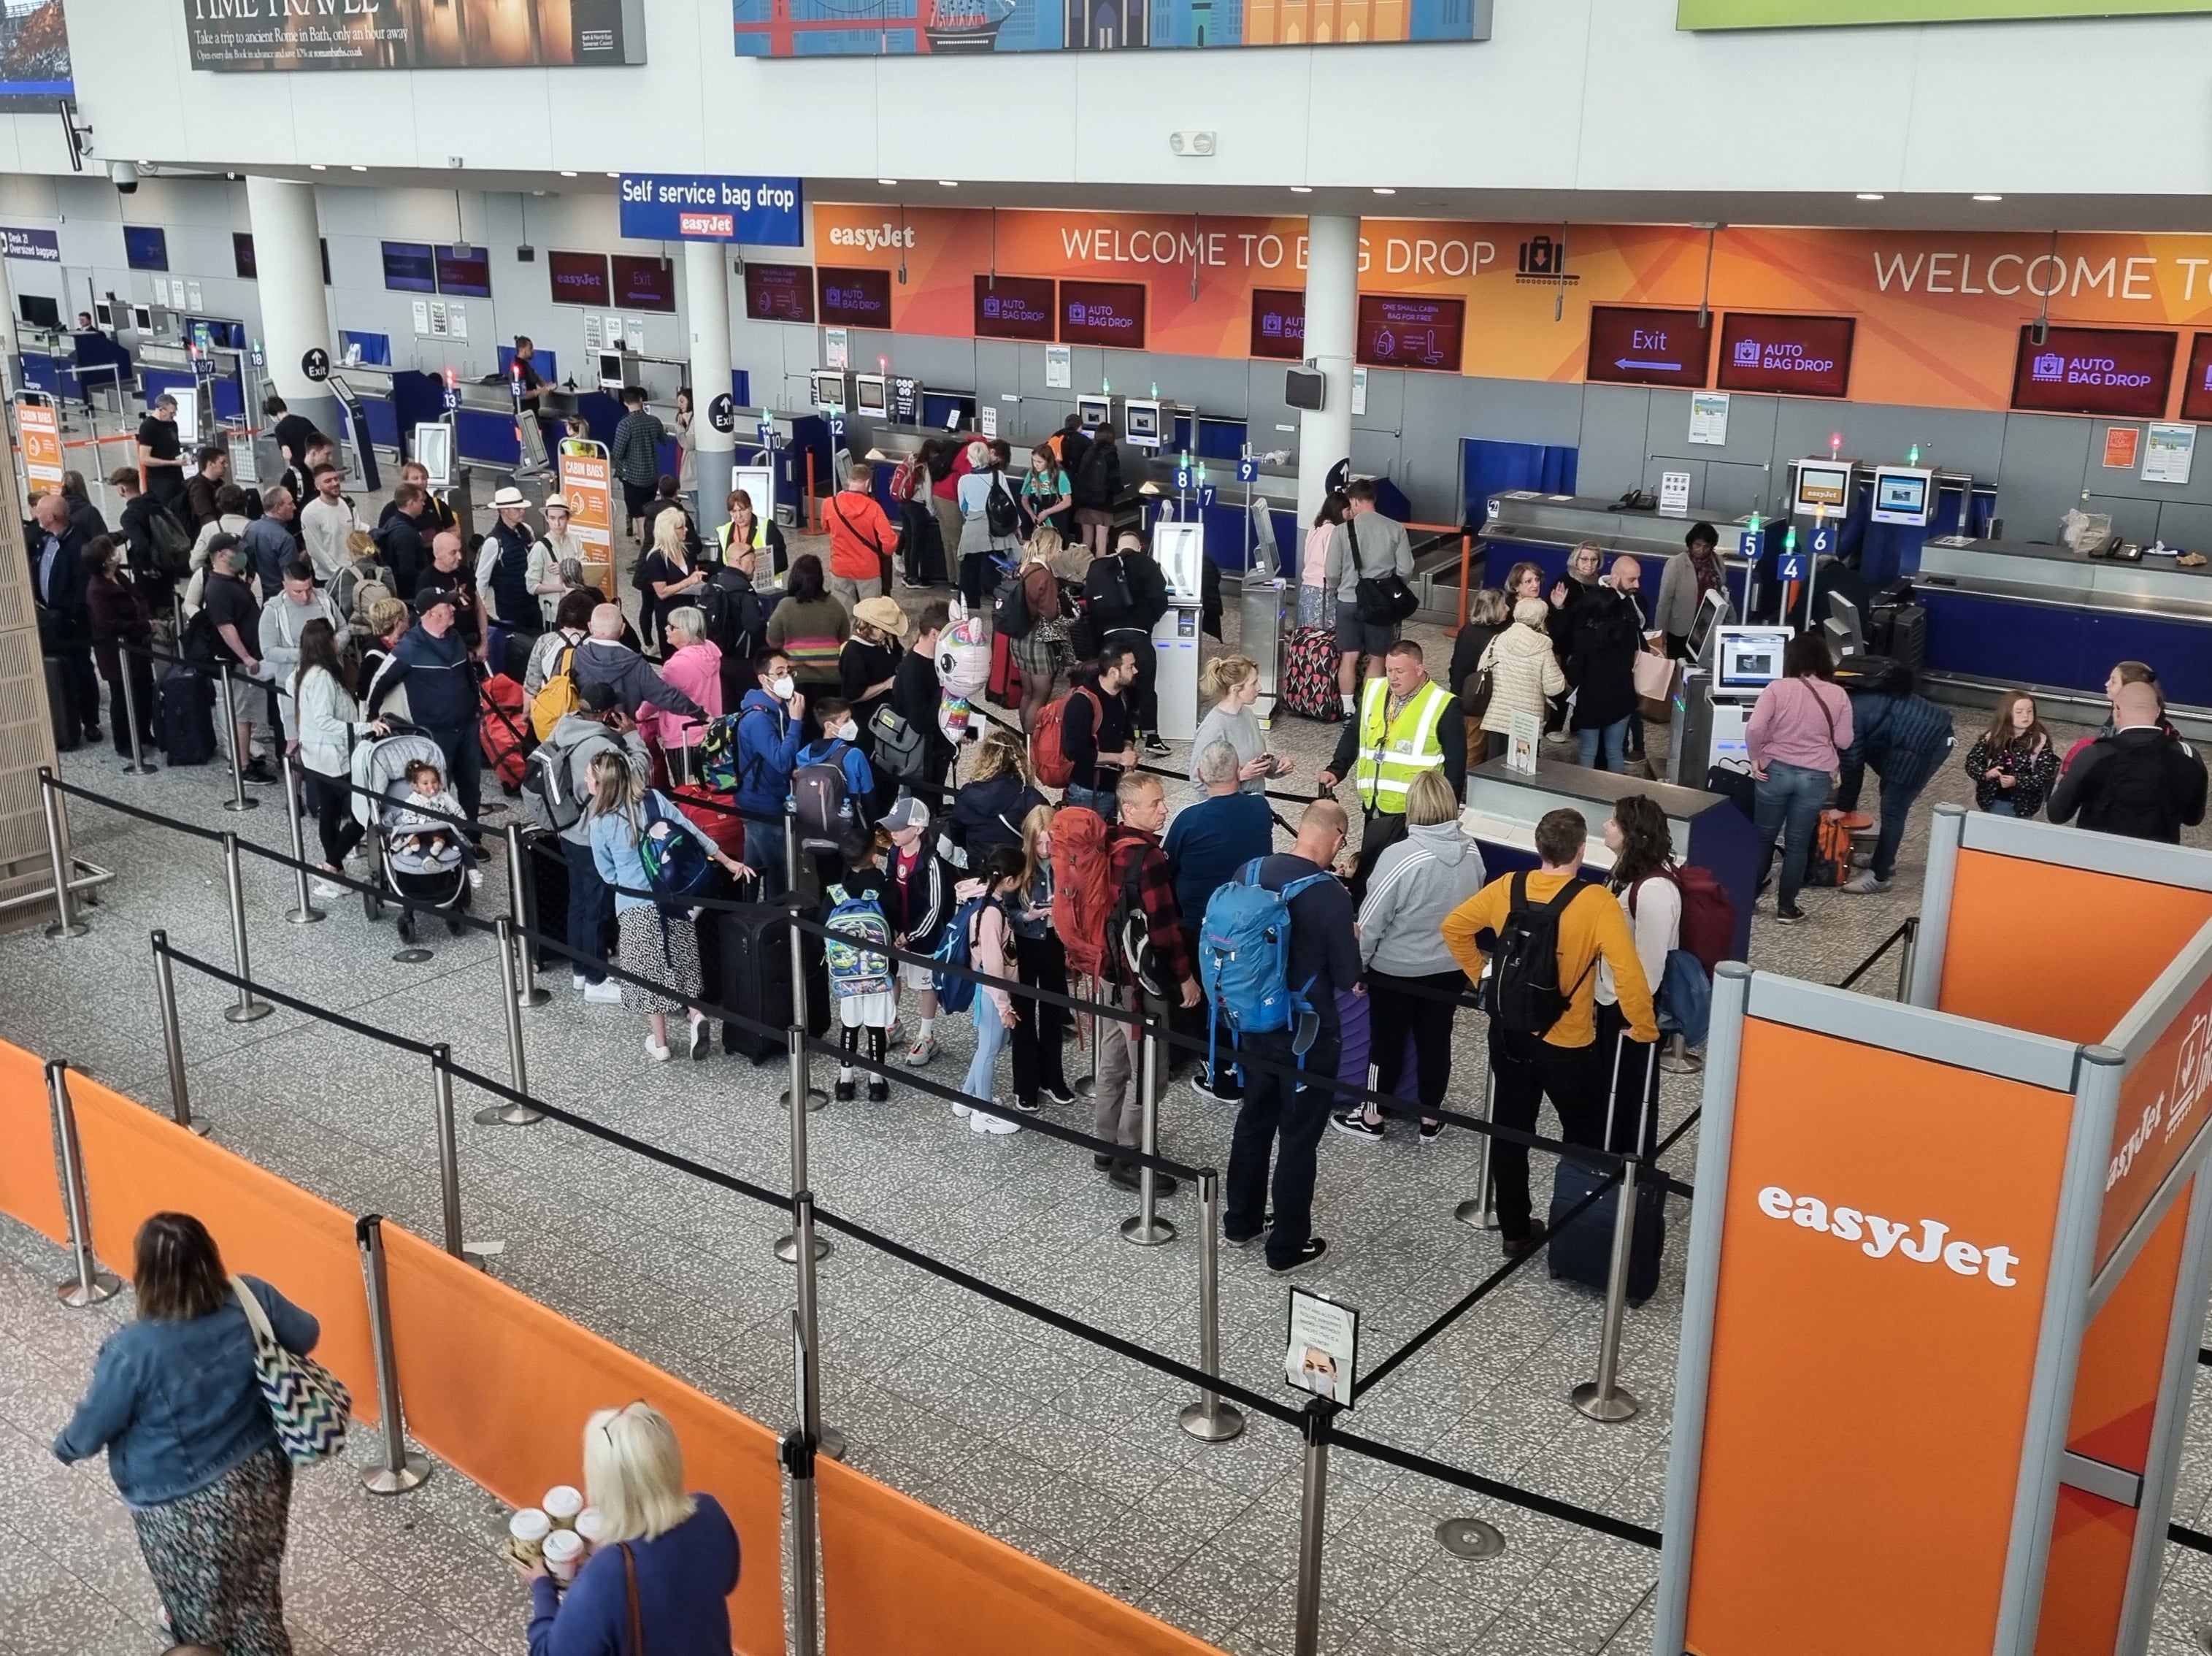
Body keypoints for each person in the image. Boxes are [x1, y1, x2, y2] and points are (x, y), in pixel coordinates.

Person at [56, 1214, 322, 1656]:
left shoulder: (134, 1348)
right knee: (256, 1577)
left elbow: (94, 1424)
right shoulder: (249, 1296)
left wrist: (67, 1447)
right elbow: (307, 1333)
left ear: (146, 1275)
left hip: (179, 1498)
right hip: (260, 1473)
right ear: (209, 1254)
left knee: (197, 1610)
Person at [1441, 808, 1660, 1256]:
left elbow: (1454, 927)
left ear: (1540, 847)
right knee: (1583, 1134)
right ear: (1581, 850)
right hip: (1568, 1043)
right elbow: (1628, 973)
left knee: (1510, 1131)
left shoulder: (1508, 887)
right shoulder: (1595, 902)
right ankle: (1576, 1230)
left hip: (1508, 1034)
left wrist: (1481, 976)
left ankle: (1515, 1232)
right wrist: (1644, 1026)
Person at [1220, 799, 1362, 1273]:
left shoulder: (1251, 870)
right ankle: (1285, 1247)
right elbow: (1346, 977)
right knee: (1298, 1139)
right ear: (1338, 837)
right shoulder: (1330, 896)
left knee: (1254, 1119)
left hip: (1251, 1023)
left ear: (1302, 830)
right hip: (1306, 1034)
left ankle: (1240, 1221)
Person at [1332, 770, 1486, 1142]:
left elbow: (1370, 922)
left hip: (1396, 970)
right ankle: (1430, 1120)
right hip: (1450, 966)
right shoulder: (1473, 851)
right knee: (1436, 1040)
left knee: (1385, 1042)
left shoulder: (1400, 856)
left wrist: (1359, 968)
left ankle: (1372, 1116)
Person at [521, 1402, 740, 1656]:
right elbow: (726, 1582)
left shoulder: (608, 1574)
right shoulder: (709, 1513)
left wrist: (542, 1586)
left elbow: (547, 1652)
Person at [587, 750, 750, 1060]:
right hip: (673, 897)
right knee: (681, 959)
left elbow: (607, 873)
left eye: (589, 776)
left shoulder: (601, 823)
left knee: (649, 974)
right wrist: (728, 861)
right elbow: (691, 831)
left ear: (602, 784)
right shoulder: (654, 801)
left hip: (635, 905)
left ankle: (660, 1044)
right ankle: (695, 1013)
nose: (585, 780)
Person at [1091, 772, 1202, 1191]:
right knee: (1150, 1073)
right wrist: (1186, 979)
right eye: (1156, 804)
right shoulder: (1148, 859)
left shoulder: (1104, 845)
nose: (1164, 809)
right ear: (1129, 809)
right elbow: (1164, 929)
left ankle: (1105, 1143)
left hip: (1108, 973)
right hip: (1143, 985)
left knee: (1112, 1061)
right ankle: (1133, 1155)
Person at [1167, 740, 1277, 1106]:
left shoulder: (1189, 820)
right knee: (1244, 995)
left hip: (1200, 926)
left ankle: (1220, 1071)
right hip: (1251, 926)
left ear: (1199, 773)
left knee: (1209, 1000)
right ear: (1237, 772)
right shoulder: (1259, 809)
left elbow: (1170, 867)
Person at [1319, 639, 1466, 900]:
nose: (1393, 678)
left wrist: (1447, 814)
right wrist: (1337, 768)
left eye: (1401, 671)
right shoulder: (1375, 691)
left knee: (1400, 877)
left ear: (1420, 669)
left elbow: (1456, 766)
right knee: (1370, 871)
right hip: (1374, 804)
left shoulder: (1443, 704)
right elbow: (1355, 733)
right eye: (1389, 670)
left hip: (1414, 812)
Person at [539, 682, 648, 1002]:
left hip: (569, 829)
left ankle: (580, 970)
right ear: (608, 713)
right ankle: (597, 981)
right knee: (597, 908)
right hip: (592, 835)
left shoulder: (564, 727)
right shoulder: (603, 749)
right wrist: (631, 737)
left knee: (579, 903)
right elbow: (637, 779)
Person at [1746, 631, 1852, 924]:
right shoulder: (1839, 694)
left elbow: (1755, 728)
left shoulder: (1778, 688)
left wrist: (1756, 757)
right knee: (1797, 843)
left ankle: (1748, 898)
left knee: (1764, 838)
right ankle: (1786, 909)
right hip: (1815, 777)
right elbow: (1844, 740)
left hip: (1775, 772)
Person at [1596, 794, 1679, 1148]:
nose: (1605, 825)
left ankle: (1629, 1162)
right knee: (1611, 1086)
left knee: (1631, 1090)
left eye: (1613, 822)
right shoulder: (1628, 875)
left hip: (1630, 1008)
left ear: (1632, 835)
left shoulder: (1655, 890)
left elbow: (1651, 963)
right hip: (1615, 997)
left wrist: (1638, 1019)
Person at [1835, 673, 1955, 894]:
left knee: (1893, 807)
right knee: (1889, 793)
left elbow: (1853, 767)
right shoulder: (1846, 697)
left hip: (1927, 739)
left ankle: (1880, 877)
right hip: (1911, 733)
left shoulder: (1846, 717)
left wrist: (1842, 808)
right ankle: (1885, 858)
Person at [2050, 681, 2208, 844]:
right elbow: (2193, 818)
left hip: (2097, 856)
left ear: (2116, 711)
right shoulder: (2188, 755)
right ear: (2157, 711)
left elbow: (2057, 814)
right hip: (2160, 858)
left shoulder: (2094, 754)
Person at [293, 618, 383, 897]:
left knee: (330, 814)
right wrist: (365, 727)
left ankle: (335, 873)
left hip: (319, 755)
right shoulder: (321, 677)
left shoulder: (303, 670)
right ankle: (331, 865)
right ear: (327, 642)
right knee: (361, 814)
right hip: (332, 755)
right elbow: (324, 720)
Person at [392, 585, 485, 827]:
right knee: (437, 788)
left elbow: (470, 676)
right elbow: (378, 682)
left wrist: (477, 707)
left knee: (471, 787)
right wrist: (372, 717)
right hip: (434, 732)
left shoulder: (455, 639)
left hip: (466, 726)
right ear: (430, 614)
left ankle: (472, 835)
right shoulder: (409, 647)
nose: (453, 608)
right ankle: (442, 836)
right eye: (447, 605)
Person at [951, 845, 1029, 1135]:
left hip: (984, 985)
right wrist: (1004, 1007)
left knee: (987, 1045)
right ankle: (983, 1112)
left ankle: (967, 1098)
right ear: (1009, 881)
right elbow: (995, 965)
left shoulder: (980, 896)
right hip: (991, 989)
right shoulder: (992, 913)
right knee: (990, 1048)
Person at [1324, 478, 1416, 711]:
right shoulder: (1395, 528)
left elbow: (1331, 572)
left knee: (1349, 656)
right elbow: (1406, 569)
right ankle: (1368, 708)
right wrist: (1392, 587)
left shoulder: (1342, 531)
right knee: (1378, 656)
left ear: (1354, 501)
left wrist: (1338, 590)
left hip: (1347, 600)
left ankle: (1347, 708)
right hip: (1380, 604)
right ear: (1374, 500)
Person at [1007, 805, 1074, 1116]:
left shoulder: (1065, 865)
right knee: (1022, 1017)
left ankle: (1052, 1077)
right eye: (1039, 843)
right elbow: (1005, 911)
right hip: (1025, 946)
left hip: (1054, 945)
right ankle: (1025, 1084)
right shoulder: (1018, 867)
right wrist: (1028, 915)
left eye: (1051, 842)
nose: (1046, 850)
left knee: (1053, 1013)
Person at [824, 829, 899, 1103]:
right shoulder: (885, 888)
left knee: (850, 1025)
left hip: (847, 975)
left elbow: (823, 927)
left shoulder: (836, 893)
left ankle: (845, 1082)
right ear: (873, 856)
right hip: (879, 972)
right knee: (876, 1027)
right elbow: (894, 923)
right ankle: (876, 1082)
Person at [729, 648, 810, 898]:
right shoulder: (758, 719)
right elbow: (781, 761)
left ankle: (748, 912)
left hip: (764, 797)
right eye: (780, 672)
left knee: (752, 864)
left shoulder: (777, 709)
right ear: (764, 679)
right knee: (779, 868)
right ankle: (778, 923)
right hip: (761, 804)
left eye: (788, 671)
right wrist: (797, 721)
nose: (787, 677)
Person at [1083, 529, 1170, 752]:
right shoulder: (1148, 564)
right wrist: (1149, 621)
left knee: (1116, 685)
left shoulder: (1100, 567)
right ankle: (1152, 738)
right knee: (1146, 684)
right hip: (1138, 634)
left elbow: (1091, 605)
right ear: (1140, 547)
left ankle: (1121, 733)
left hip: (1109, 637)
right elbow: (1160, 598)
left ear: (1117, 549)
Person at [883, 795, 954, 1064]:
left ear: (918, 829)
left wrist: (911, 934)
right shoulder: (893, 852)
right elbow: (889, 886)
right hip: (897, 930)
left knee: (926, 984)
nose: (893, 832)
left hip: (925, 937)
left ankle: (926, 1035)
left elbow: (935, 907)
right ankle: (892, 1023)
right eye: (891, 826)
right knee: (894, 977)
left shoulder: (932, 861)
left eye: (899, 828)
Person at [199, 540, 274, 783]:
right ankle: (242, 765)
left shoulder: (232, 581)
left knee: (247, 712)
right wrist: (245, 656)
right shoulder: (218, 588)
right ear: (221, 554)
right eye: (236, 552)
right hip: (237, 661)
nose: (242, 555)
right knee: (241, 713)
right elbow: (225, 627)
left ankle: (244, 759)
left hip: (247, 657)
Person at [31, 491, 99, 745]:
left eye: (39, 511)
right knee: (55, 670)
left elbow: (82, 586)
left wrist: (67, 612)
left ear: (52, 516)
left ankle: (90, 721)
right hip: (48, 620)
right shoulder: (44, 540)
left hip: (71, 622)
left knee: (81, 669)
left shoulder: (78, 545)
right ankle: (60, 719)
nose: (36, 515)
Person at [1568, 556, 1646, 773]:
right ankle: (1615, 795)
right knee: (1614, 751)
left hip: (1591, 700)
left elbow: (1575, 671)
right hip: (1622, 699)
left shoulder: (1585, 636)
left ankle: (1586, 794)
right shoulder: (1628, 631)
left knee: (1587, 752)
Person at [573, 602, 707, 727]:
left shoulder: (573, 657)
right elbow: (666, 695)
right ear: (623, 628)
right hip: (622, 737)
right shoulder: (637, 664)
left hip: (580, 732)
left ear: (590, 626)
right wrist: (701, 714)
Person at [258, 557, 346, 743]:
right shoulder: (274, 610)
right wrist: (307, 653)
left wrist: (337, 643)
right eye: (298, 592)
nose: (305, 597)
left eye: (308, 589)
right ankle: (295, 772)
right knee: (295, 740)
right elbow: (268, 651)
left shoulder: (323, 599)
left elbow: (344, 628)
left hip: (330, 679)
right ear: (285, 585)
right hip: (293, 685)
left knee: (333, 732)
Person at [86, 535, 156, 756]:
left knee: (145, 689)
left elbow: (138, 598)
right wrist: (143, 625)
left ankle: (144, 731)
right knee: (122, 696)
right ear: (104, 559)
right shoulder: (97, 589)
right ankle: (125, 742)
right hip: (115, 653)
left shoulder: (118, 576)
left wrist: (146, 620)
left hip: (138, 646)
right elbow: (108, 624)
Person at [1060, 641, 1140, 820]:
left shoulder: (1121, 695)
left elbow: (1127, 730)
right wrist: (1119, 758)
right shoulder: (1081, 703)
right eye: (1130, 667)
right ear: (1114, 672)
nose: (1136, 671)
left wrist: (1127, 749)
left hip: (1112, 785)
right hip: (1088, 792)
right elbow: (1077, 752)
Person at [1192, 654, 1291, 795]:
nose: (1259, 687)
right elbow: (1198, 780)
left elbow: (1256, 761)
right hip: (1227, 811)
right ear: (1235, 690)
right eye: (1253, 683)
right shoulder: (1213, 728)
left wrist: (1277, 766)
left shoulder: (1248, 714)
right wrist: (1240, 776)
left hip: (1252, 804)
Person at [645, 605, 726, 775]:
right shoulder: (711, 651)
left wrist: (638, 714)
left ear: (686, 631)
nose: (666, 628)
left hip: (683, 734)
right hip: (711, 729)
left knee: (687, 790)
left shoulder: (676, 666)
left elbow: (658, 697)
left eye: (672, 626)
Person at [949, 724, 1045, 861]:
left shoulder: (967, 795)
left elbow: (957, 837)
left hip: (980, 869)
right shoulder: (1030, 797)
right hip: (1019, 868)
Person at [891, 600, 956, 800]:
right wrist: (944, 689)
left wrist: (964, 728)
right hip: (921, 759)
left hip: (939, 751)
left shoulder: (940, 659)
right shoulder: (913, 669)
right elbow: (918, 722)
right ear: (934, 634)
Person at [1964, 690, 2059, 818]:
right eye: (2019, 712)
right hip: (1990, 800)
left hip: (2024, 806)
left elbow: (2045, 775)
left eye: (2030, 711)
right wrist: (1986, 774)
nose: (2025, 716)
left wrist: (2017, 781)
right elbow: (1972, 762)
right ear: (2007, 714)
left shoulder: (2040, 742)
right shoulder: (1991, 738)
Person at [840, 595, 906, 779]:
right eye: (881, 628)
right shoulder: (854, 652)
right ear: (868, 625)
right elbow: (852, 696)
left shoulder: (886, 641)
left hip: (890, 718)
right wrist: (886, 685)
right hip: (868, 723)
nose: (885, 633)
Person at [767, 553, 850, 689]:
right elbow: (844, 637)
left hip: (797, 677)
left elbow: (773, 641)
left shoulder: (785, 606)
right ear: (820, 579)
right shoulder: (834, 604)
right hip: (832, 678)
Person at [1447, 587, 1511, 765]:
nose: (1507, 609)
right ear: (1493, 609)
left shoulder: (1467, 629)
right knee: (1473, 751)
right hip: (1477, 701)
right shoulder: (1496, 638)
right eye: (1503, 606)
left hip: (1459, 693)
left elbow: (1455, 662)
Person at [954, 440, 1019, 612]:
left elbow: (964, 507)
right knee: (997, 564)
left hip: (974, 527)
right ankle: (1000, 598)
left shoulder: (964, 481)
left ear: (970, 459)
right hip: (996, 527)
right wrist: (1017, 526)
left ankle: (969, 603)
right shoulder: (999, 476)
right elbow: (1009, 503)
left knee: (969, 567)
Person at [825, 460, 899, 610]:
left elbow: (827, 528)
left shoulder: (830, 504)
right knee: (870, 617)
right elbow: (889, 544)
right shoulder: (874, 508)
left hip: (840, 567)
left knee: (845, 617)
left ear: (848, 480)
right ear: (867, 483)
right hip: (868, 570)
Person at [475, 485, 543, 639]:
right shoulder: (493, 542)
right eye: (517, 508)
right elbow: (481, 580)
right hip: (510, 607)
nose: (522, 511)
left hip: (532, 602)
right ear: (504, 511)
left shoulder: (526, 530)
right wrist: (482, 611)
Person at [640, 506, 708, 649]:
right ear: (669, 531)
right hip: (669, 614)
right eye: (681, 527)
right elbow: (662, 592)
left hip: (690, 611)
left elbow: (694, 575)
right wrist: (687, 582)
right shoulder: (656, 557)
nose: (686, 530)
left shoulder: (688, 550)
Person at [1656, 522, 1726, 658]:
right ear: (1690, 544)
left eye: (1707, 547)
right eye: (1698, 545)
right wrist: (1660, 638)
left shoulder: (1717, 563)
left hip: (1706, 628)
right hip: (1681, 629)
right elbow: (1664, 602)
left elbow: (1722, 592)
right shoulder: (1676, 564)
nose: (1701, 550)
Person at [112, 464, 189, 584]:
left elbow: (141, 544)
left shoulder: (129, 516)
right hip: (169, 561)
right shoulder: (156, 503)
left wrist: (146, 568)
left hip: (151, 570)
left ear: (122, 489)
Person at [611, 386, 667, 541]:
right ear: (641, 399)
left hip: (633, 478)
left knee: (640, 517)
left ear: (625, 402)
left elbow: (618, 452)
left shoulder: (625, 424)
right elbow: (665, 440)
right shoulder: (654, 421)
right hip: (652, 476)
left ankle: (646, 551)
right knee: (649, 514)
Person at [1069, 421, 1123, 559]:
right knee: (1101, 542)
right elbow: (1114, 481)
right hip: (1103, 504)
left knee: (1086, 541)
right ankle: (1099, 572)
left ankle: (1081, 570)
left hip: (1084, 502)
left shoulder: (1089, 451)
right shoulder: (1111, 455)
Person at [243, 486, 304, 597]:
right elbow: (291, 577)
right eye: (290, 504)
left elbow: (239, 562)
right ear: (278, 508)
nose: (294, 507)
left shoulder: (249, 529)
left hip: (254, 594)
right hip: (279, 596)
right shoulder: (285, 539)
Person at [533, 494, 585, 625]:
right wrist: (561, 587)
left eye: (561, 518)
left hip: (575, 608)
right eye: (552, 518)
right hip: (552, 612)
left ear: (568, 518)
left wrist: (565, 567)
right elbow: (532, 586)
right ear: (547, 519)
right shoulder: (540, 548)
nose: (557, 523)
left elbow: (586, 569)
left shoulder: (575, 540)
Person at [1299, 492, 1348, 629]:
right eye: (1347, 510)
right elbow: (1332, 561)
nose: (1350, 514)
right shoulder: (1332, 530)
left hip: (1308, 586)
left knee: (1309, 633)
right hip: (1323, 588)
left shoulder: (1315, 527)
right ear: (1339, 511)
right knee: (1323, 633)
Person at [299, 464, 355, 584]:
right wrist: (339, 573)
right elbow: (316, 550)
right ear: (318, 486)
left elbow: (357, 534)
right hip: (328, 579)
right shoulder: (310, 513)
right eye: (328, 481)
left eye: (336, 479)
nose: (334, 483)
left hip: (353, 572)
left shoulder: (347, 504)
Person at [713, 486, 786, 575]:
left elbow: (782, 562)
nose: (738, 516)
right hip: (734, 584)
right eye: (733, 511)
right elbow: (720, 564)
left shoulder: (767, 527)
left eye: (742, 510)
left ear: (751, 507)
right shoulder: (724, 531)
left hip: (764, 586)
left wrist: (754, 573)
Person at [137, 392, 187, 510]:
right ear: (161, 409)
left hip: (177, 477)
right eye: (171, 413)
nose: (173, 416)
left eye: (175, 412)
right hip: (160, 481)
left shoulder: (172, 425)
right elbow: (145, 459)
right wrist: (172, 463)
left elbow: (173, 448)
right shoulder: (148, 427)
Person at [1021, 440, 1072, 540]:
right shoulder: (1031, 474)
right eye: (1034, 461)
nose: (1036, 465)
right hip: (1037, 515)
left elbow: (1067, 501)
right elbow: (1024, 498)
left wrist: (1047, 512)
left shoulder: (1059, 475)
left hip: (1055, 517)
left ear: (1048, 461)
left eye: (1039, 462)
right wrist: (1032, 514)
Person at [266, 393, 320, 486]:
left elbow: (288, 455)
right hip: (315, 463)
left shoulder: (280, 428)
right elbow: (320, 439)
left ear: (272, 414)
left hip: (300, 468)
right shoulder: (304, 420)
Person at [183, 444, 231, 532]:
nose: (226, 466)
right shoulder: (199, 487)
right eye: (222, 462)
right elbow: (205, 515)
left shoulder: (218, 483)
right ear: (211, 464)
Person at [673, 386, 699, 521]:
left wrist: (680, 428)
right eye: (678, 402)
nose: (680, 405)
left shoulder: (694, 421)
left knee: (698, 506)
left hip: (693, 469)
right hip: (687, 467)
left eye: (682, 401)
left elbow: (689, 444)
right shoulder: (684, 419)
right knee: (696, 505)